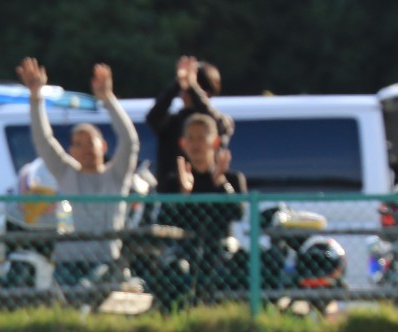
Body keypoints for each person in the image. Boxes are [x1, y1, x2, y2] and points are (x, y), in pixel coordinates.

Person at [17, 58, 139, 288]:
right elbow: (43, 140)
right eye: (78, 144)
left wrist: (107, 98)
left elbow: (130, 141)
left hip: (106, 262)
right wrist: (35, 96)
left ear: (103, 146)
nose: (85, 149)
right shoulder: (67, 173)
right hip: (67, 263)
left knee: (88, 288)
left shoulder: (116, 176)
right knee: (65, 295)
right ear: (71, 151)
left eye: (90, 142)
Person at [151, 113, 247, 307]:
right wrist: (183, 194)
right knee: (172, 268)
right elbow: (164, 218)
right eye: (191, 138)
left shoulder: (232, 179)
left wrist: (221, 183)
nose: (196, 144)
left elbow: (238, 213)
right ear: (183, 143)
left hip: (219, 248)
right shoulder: (174, 182)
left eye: (201, 138)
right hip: (184, 248)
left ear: (215, 142)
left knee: (242, 261)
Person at [147, 56, 234, 191]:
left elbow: (216, 124)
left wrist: (193, 88)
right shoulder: (172, 123)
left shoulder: (220, 122)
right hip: (174, 195)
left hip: (209, 194)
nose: (185, 93)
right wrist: (177, 84)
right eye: (184, 90)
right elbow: (152, 117)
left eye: (192, 90)